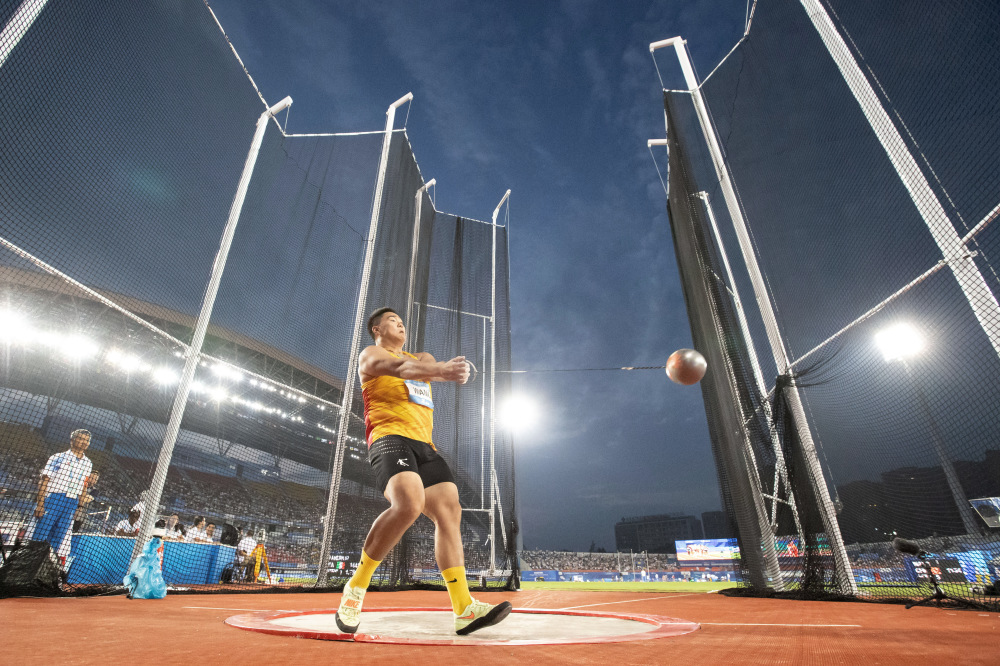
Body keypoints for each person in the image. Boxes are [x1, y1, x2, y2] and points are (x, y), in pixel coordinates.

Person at [335, 307, 511, 636]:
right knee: (409, 504)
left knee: (449, 511)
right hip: (389, 438)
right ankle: (355, 588)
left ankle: (464, 608)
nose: (399, 323)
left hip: (425, 446)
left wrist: (442, 369)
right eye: (391, 320)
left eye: (401, 321)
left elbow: (418, 365)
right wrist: (443, 371)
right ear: (376, 329)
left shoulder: (423, 357)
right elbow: (399, 366)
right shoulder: (370, 355)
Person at [32, 429, 95, 565]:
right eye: (81, 439)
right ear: (72, 440)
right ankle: (31, 566)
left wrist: (80, 506)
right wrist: (40, 504)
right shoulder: (58, 457)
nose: (84, 442)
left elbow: (84, 486)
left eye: (87, 440)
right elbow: (44, 481)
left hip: (72, 501)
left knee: (58, 537)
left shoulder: (88, 463)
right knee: (41, 534)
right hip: (54, 499)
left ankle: (47, 569)